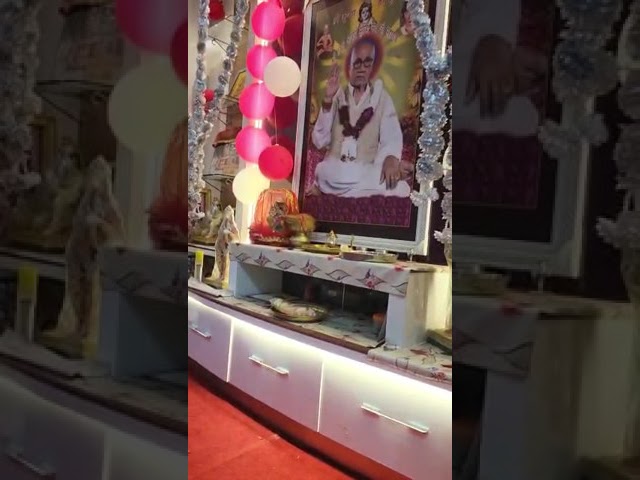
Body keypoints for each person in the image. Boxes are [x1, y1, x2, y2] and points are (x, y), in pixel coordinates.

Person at [309, 36, 407, 198]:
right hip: (335, 172)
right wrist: (327, 99)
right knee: (323, 171)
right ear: (349, 66)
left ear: (373, 67)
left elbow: (392, 136)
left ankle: (340, 191)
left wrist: (391, 158)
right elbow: (319, 141)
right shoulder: (337, 96)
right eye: (357, 63)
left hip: (365, 171)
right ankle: (350, 190)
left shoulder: (382, 98)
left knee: (400, 188)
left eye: (367, 63)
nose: (362, 69)